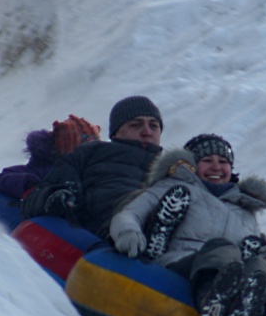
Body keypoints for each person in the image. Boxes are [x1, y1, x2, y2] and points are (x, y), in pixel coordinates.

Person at [109, 134, 266, 316]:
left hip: (234, 273)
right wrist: (128, 231)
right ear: (192, 165)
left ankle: (248, 311)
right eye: (207, 161)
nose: (217, 167)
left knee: (259, 265)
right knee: (224, 248)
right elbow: (130, 213)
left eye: (223, 162)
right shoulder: (172, 186)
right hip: (181, 263)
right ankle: (212, 296)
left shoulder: (246, 212)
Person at [23, 95, 164, 239]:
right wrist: (56, 197)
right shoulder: (91, 153)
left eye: (154, 126)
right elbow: (43, 192)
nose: (147, 131)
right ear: (116, 132)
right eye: (136, 124)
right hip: (107, 225)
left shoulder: (171, 167)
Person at [0, 115, 100, 233]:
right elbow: (3, 178)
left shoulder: (93, 174)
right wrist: (31, 186)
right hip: (39, 220)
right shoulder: (42, 167)